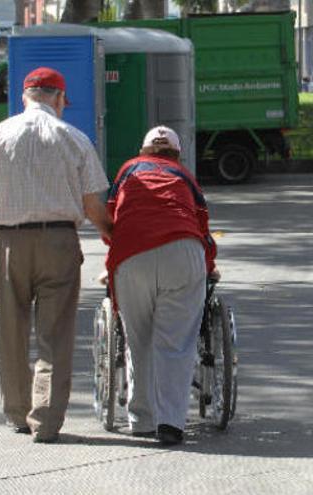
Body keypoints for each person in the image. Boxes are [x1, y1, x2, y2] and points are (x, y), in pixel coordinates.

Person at [0, 67, 112, 443]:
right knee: (55, 334)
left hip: (7, 243)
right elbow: (91, 202)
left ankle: (16, 414)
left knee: (10, 332)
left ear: (24, 97)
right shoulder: (74, 138)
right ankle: (45, 421)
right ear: (59, 99)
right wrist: (111, 233)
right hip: (59, 242)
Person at [105, 126, 218, 445]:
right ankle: (170, 422)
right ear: (177, 154)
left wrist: (116, 259)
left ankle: (141, 419)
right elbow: (202, 227)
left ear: (143, 152)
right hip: (182, 252)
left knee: (137, 337)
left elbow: (111, 221)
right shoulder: (185, 177)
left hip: (132, 254)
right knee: (176, 342)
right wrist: (209, 267)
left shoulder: (128, 170)